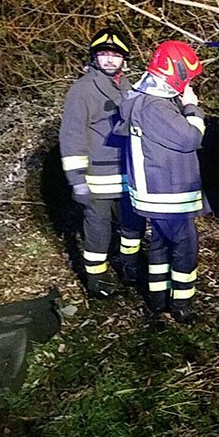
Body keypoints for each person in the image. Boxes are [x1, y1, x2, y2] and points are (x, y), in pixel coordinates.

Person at [116, 40, 206, 323]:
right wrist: (192, 108)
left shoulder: (143, 99)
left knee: (159, 245)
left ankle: (157, 299)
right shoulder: (156, 106)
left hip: (154, 193)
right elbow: (190, 138)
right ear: (175, 72)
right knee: (185, 247)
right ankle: (182, 305)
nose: (189, 85)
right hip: (167, 193)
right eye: (188, 79)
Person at [59, 27, 145, 299]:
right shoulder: (82, 91)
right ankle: (97, 279)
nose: (109, 60)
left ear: (124, 59)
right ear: (94, 58)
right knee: (98, 231)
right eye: (104, 54)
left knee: (133, 226)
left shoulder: (130, 87)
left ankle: (130, 267)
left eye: (115, 55)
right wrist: (77, 181)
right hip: (97, 180)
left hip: (129, 176)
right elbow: (72, 136)